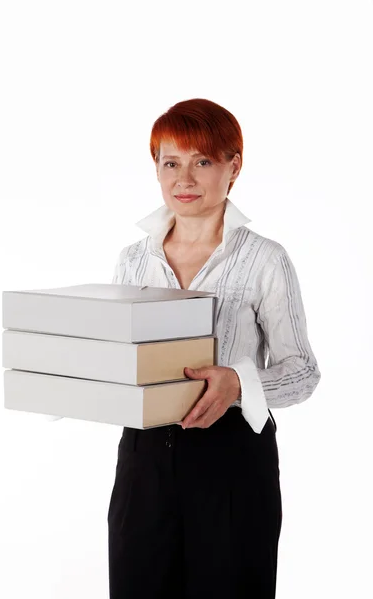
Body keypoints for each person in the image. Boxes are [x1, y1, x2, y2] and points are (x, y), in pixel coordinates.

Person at [107, 98, 321, 599]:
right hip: (142, 463)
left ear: (233, 166)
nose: (185, 178)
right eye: (171, 163)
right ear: (156, 169)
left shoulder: (266, 260)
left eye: (202, 161)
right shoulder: (133, 260)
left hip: (232, 462)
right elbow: (115, 356)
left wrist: (239, 382)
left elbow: (303, 372)